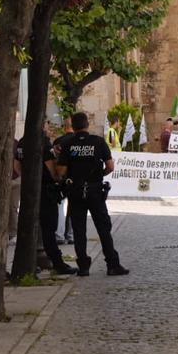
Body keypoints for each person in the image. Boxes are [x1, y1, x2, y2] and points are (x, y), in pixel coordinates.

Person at [56, 112, 128, 277]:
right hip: (95, 190)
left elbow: (60, 171)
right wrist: (98, 175)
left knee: (79, 230)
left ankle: (83, 266)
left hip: (76, 191)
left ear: (73, 126)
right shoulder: (98, 142)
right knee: (103, 229)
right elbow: (110, 166)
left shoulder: (67, 143)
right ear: (87, 125)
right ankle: (112, 264)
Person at [17, 123, 76, 275]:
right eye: (47, 125)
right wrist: (58, 177)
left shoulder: (21, 143)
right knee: (49, 229)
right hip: (45, 190)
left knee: (29, 226)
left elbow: (16, 166)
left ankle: (27, 262)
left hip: (28, 190)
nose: (48, 129)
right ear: (41, 126)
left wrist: (27, 178)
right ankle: (57, 263)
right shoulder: (43, 143)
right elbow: (52, 170)